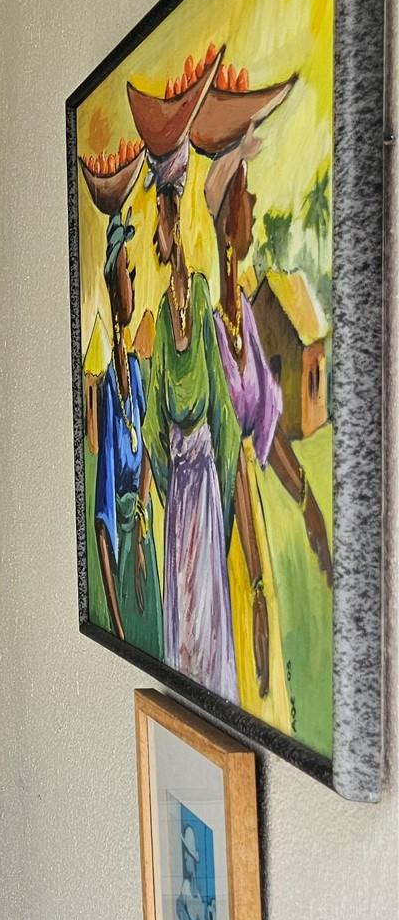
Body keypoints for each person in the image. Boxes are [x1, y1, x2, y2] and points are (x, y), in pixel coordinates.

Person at [206, 142, 332, 722]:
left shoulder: (250, 327)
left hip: (251, 517)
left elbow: (267, 429)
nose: (254, 201)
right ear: (228, 210)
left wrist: (308, 504)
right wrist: (252, 566)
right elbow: (224, 445)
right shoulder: (213, 332)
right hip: (220, 526)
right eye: (246, 191)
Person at [142, 140, 238, 701]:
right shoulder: (160, 318)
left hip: (203, 482)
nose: (159, 234)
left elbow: (220, 403)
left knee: (205, 599)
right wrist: (162, 469)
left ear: (175, 224)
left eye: (162, 221)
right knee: (179, 600)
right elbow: (156, 416)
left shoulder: (200, 298)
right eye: (156, 223)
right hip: (180, 488)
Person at [92, 213, 162, 653]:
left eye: (135, 276)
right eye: (128, 274)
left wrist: (139, 530)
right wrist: (115, 627)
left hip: (143, 546)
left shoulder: (136, 373)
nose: (133, 285)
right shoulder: (106, 395)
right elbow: (101, 522)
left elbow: (149, 457)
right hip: (122, 565)